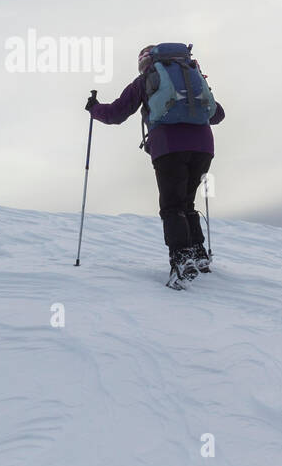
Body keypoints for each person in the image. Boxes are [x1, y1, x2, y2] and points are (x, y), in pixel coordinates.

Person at [86, 44, 225, 289]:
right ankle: (199, 256)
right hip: (203, 146)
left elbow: (116, 114)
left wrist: (94, 108)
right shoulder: (192, 75)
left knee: (172, 205)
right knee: (186, 202)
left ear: (144, 62)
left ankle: (181, 260)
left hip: (169, 147)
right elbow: (217, 115)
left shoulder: (145, 81)